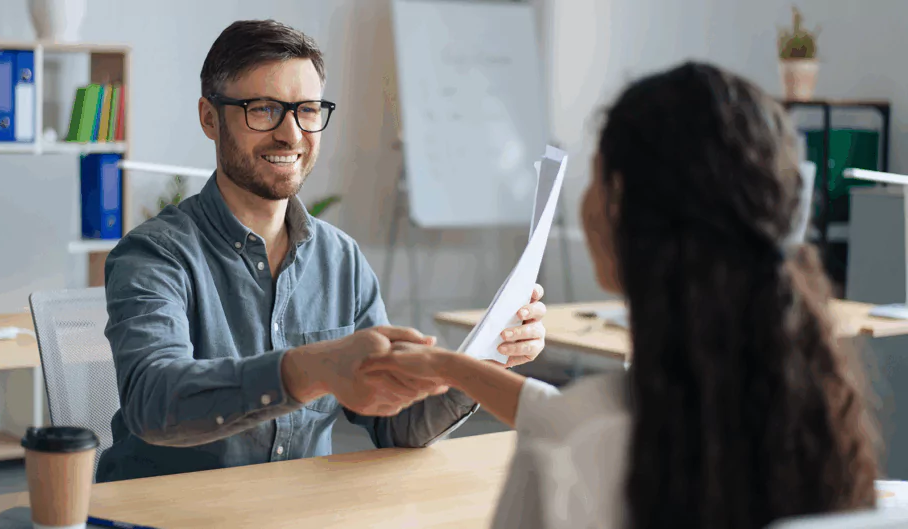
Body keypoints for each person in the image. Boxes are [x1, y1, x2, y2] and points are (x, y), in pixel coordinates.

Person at [359, 61, 881, 529]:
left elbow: (573, 425)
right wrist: (450, 366)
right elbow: (559, 411)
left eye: (594, 175)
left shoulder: (573, 447)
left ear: (619, 207)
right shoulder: (820, 414)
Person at [95, 19, 549, 483]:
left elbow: (396, 426)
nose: (291, 134)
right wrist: (310, 370)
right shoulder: (154, 255)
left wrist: (486, 359)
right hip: (165, 514)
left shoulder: (341, 260)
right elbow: (154, 402)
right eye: (264, 109)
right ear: (210, 118)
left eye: (307, 110)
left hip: (295, 512)